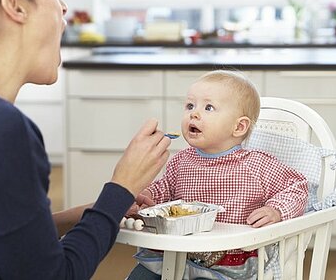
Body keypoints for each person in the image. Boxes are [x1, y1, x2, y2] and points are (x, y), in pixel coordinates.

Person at [0, 0, 171, 279]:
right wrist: (123, 186)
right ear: (15, 6)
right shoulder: (1, 129)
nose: (64, 5)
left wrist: (103, 209)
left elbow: (1, 238)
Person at [127, 70, 308, 280]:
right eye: (190, 106)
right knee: (141, 275)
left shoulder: (256, 164)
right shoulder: (181, 160)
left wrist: (275, 210)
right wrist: (147, 196)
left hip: (226, 264)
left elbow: (297, 186)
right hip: (177, 256)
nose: (194, 114)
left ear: (239, 127)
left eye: (209, 107)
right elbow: (165, 188)